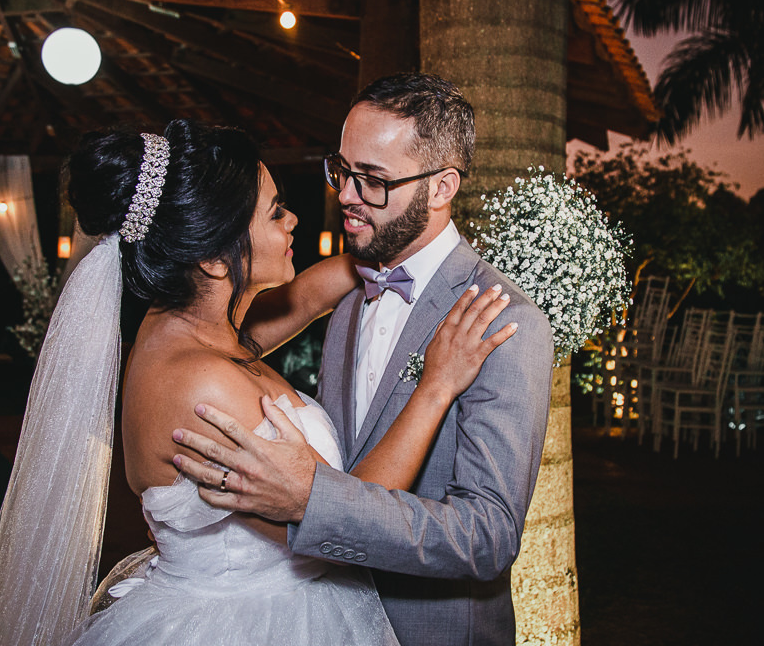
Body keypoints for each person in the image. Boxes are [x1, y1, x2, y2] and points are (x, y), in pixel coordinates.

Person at [0, 118, 517, 646]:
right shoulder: (205, 389)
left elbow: (296, 304)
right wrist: (436, 386)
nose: (294, 219)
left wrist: (393, 252)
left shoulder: (182, 328)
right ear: (216, 261)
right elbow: (349, 519)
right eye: (276, 214)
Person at [173, 73, 555, 646]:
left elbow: (488, 536)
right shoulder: (350, 297)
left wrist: (312, 501)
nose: (346, 196)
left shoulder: (500, 319)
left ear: (441, 186)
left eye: (373, 180)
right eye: (343, 170)